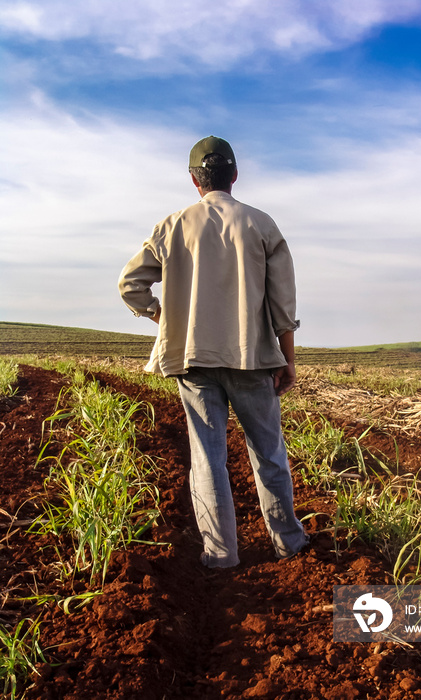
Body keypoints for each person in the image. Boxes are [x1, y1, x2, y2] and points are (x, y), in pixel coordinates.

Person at [118, 135, 308, 568]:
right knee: (269, 454)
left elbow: (130, 285)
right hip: (253, 358)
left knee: (207, 458)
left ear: (193, 180)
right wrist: (288, 359)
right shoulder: (261, 224)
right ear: (235, 175)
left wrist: (163, 317)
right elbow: (283, 304)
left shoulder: (172, 225)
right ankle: (289, 544)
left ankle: (220, 555)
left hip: (193, 360)